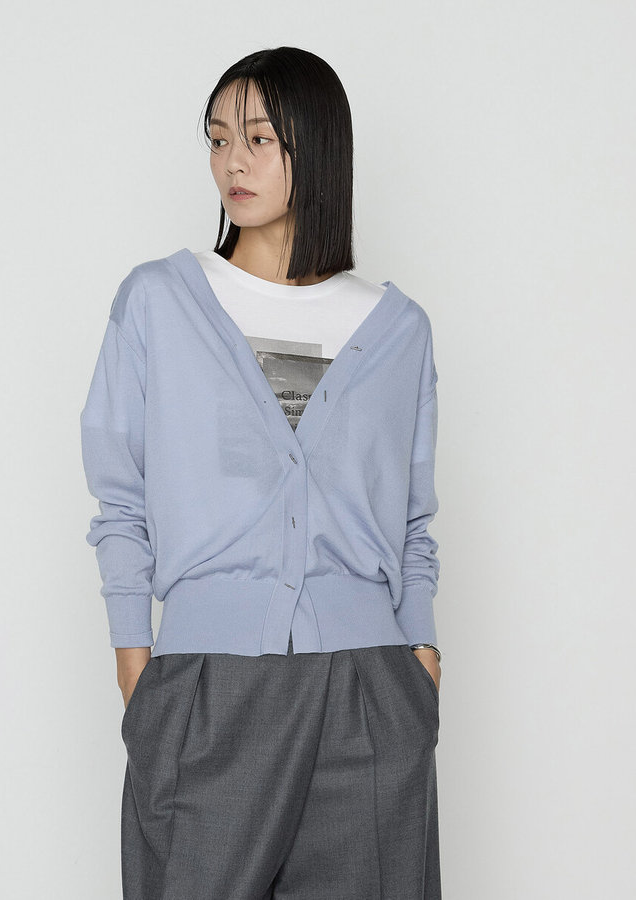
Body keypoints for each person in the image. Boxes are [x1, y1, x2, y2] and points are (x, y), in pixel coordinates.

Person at [80, 46, 443, 900]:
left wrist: (420, 654)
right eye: (216, 139)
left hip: (369, 689)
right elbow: (121, 498)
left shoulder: (397, 329)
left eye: (257, 138)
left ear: (316, 146)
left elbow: (412, 519)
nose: (231, 162)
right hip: (207, 685)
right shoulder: (159, 302)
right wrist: (138, 669)